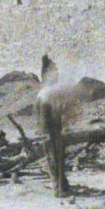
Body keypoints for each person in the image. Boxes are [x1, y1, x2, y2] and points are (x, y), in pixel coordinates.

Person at [36, 54, 91, 199]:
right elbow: (53, 115)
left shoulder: (45, 92)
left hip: (50, 131)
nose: (58, 74)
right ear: (48, 74)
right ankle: (59, 189)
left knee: (55, 158)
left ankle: (61, 186)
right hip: (51, 132)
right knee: (55, 158)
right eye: (55, 70)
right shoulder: (48, 93)